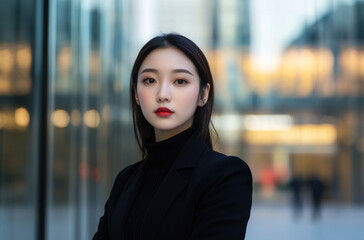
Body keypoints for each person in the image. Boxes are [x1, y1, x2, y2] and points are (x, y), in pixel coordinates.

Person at [93, 33, 253, 240]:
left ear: (203, 94)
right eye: (150, 80)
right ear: (135, 94)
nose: (163, 94)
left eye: (180, 81)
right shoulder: (125, 180)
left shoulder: (225, 176)